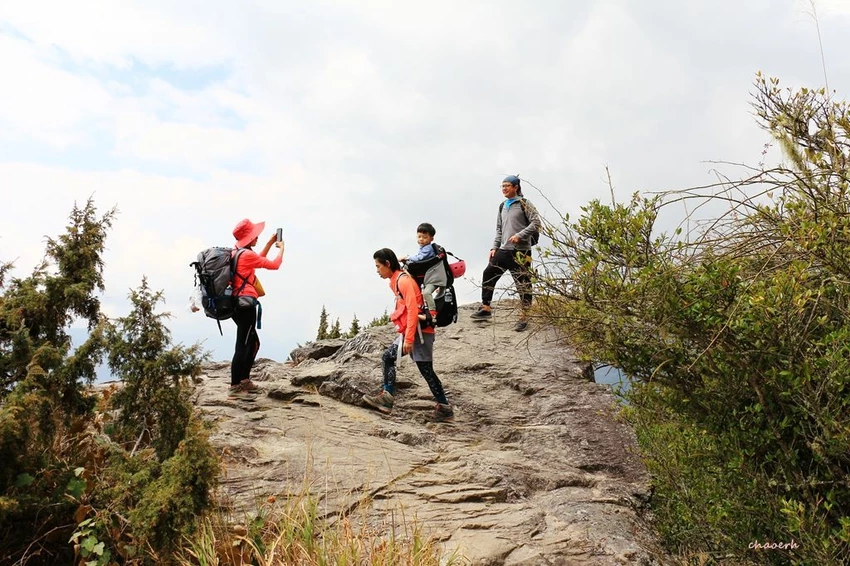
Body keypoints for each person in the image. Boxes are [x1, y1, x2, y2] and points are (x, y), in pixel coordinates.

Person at [363, 248, 454, 422]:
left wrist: (409, 338)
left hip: (420, 332)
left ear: (387, 264)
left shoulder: (403, 281)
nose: (377, 271)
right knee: (388, 357)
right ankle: (387, 398)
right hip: (412, 330)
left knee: (426, 370)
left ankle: (445, 408)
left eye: (378, 266)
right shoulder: (395, 280)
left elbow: (413, 310)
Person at [471, 175, 541, 332]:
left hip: (521, 250)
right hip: (504, 249)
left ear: (516, 187)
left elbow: (536, 223)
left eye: (507, 186)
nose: (504, 189)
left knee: (523, 283)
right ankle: (486, 308)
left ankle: (524, 316)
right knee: (489, 273)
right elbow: (499, 228)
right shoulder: (502, 205)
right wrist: (494, 247)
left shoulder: (524, 203)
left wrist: (520, 235)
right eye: (502, 186)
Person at [229, 218, 285, 398]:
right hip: (246, 304)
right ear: (249, 238)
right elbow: (274, 265)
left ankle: (244, 379)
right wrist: (281, 249)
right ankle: (236, 384)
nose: (257, 237)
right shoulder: (246, 255)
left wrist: (269, 242)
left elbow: (258, 259)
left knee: (252, 342)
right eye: (255, 235)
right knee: (244, 344)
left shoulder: (236, 252)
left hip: (237, 304)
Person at [400, 222, 446, 318]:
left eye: (424, 237)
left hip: (434, 277)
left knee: (426, 292)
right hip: (431, 275)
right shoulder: (424, 248)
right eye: (419, 237)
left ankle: (432, 312)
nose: (421, 239)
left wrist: (407, 257)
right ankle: (423, 309)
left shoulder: (427, 249)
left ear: (431, 239)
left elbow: (420, 258)